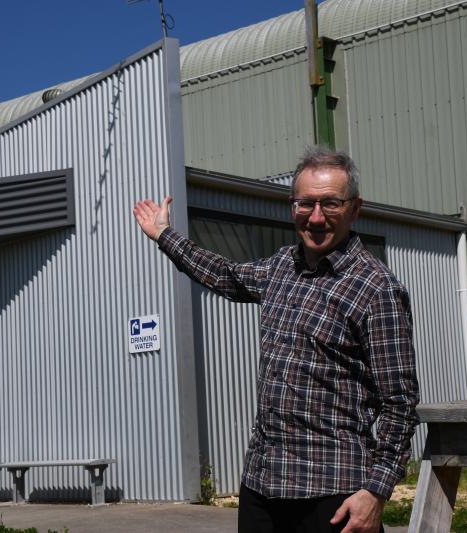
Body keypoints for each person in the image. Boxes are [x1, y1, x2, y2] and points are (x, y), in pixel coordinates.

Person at [133, 146, 419, 533]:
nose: (316, 217)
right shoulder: (281, 267)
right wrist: (165, 235)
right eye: (306, 204)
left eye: (330, 204)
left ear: (354, 208)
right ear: (292, 206)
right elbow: (225, 274)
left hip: (335, 492)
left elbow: (399, 402)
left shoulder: (376, 289)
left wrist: (377, 491)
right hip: (263, 486)